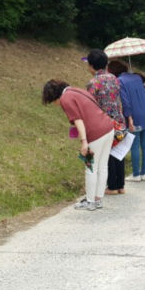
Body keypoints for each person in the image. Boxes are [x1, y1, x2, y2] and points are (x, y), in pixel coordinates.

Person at [42, 79, 114, 211]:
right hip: (108, 128)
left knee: (90, 168)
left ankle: (90, 201)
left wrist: (84, 141)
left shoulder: (65, 99)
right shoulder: (77, 90)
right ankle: (98, 199)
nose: (55, 104)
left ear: (54, 96)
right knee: (103, 166)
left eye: (52, 102)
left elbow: (78, 120)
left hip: (95, 134)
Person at [85, 49, 126, 195]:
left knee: (106, 155)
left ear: (91, 65)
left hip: (105, 122)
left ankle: (112, 186)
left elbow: (90, 105)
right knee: (118, 153)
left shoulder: (93, 82)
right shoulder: (114, 78)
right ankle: (121, 185)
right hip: (119, 120)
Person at [108, 60, 145, 182]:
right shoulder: (137, 78)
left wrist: (130, 119)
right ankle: (144, 173)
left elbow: (126, 102)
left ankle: (136, 174)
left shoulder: (120, 81)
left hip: (134, 116)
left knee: (135, 146)